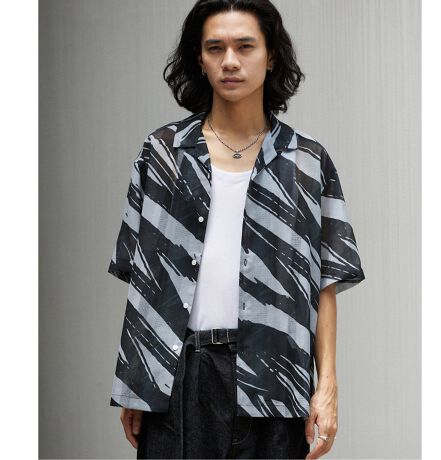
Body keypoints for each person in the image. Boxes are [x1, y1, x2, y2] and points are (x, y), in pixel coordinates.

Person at [108, 1, 365, 459]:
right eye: (215, 48)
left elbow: (324, 284)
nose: (230, 61)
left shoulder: (307, 162)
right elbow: (144, 278)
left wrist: (327, 387)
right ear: (199, 59)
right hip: (179, 376)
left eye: (245, 46)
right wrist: (138, 381)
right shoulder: (162, 154)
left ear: (271, 57)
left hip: (275, 376)